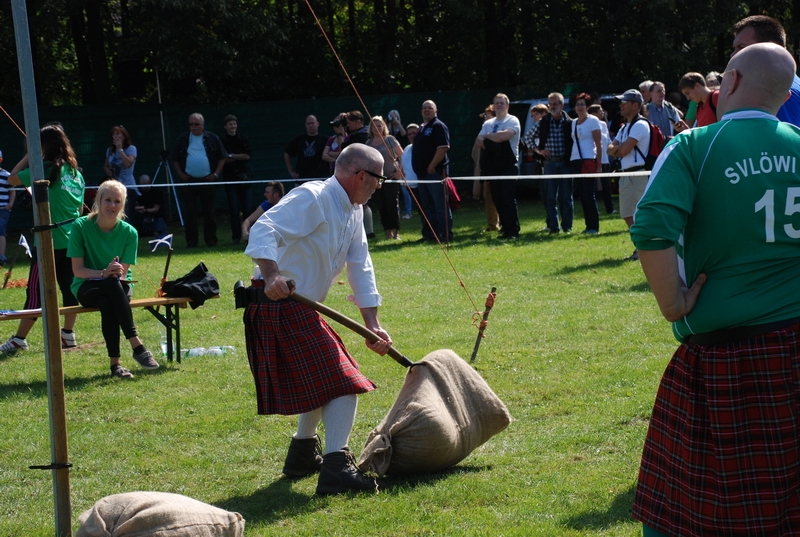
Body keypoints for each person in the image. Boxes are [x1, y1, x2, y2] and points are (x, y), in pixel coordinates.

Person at [630, 42, 800, 537]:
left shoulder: (693, 147)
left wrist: (673, 303)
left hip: (727, 357)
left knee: (695, 517)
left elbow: (651, 230)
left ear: (733, 82)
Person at [243, 143, 392, 495]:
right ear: (360, 176)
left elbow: (360, 265)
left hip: (302, 306)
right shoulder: (313, 197)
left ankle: (302, 453)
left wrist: (372, 324)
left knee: (322, 382)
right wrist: (272, 274)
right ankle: (336, 468)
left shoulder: (353, 211)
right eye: (379, 179)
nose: (379, 186)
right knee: (343, 382)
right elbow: (264, 228)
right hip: (278, 303)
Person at [0, 125, 85, 356]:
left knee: (36, 294)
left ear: (43, 147)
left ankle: (19, 340)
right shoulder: (76, 173)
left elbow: (11, 179)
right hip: (73, 241)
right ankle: (68, 335)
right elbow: (78, 208)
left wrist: (30, 156)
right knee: (70, 290)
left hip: (48, 242)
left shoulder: (44, 167)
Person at [68, 180, 159, 379]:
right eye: (107, 200)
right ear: (98, 201)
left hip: (117, 285)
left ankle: (115, 366)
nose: (112, 205)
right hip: (87, 285)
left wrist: (112, 274)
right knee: (109, 289)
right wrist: (103, 273)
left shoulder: (130, 233)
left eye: (117, 201)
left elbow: (122, 274)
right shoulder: (80, 226)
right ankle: (137, 345)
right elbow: (78, 271)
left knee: (108, 296)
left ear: (123, 205)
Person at [731, 14, 800, 127]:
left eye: (741, 47)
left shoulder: (774, 89)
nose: (733, 55)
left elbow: (784, 142)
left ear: (770, 47)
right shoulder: (787, 83)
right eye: (734, 48)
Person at [171, 113, 226, 248]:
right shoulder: (182, 139)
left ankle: (211, 241)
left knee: (209, 212)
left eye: (196, 124)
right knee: (190, 213)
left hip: (207, 181)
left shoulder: (212, 138)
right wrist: (180, 174)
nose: (193, 127)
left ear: (202, 125)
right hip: (189, 181)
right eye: (191, 124)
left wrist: (216, 174)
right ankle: (191, 242)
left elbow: (222, 157)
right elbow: (175, 159)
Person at [607, 89, 650, 261]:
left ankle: (646, 249)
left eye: (624, 102)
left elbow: (622, 150)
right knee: (627, 214)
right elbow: (610, 150)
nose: (621, 106)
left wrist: (618, 149)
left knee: (641, 214)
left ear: (635, 105)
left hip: (639, 174)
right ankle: (641, 247)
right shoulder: (624, 128)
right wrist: (618, 149)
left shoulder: (641, 124)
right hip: (625, 175)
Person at [523, 92, 574, 234]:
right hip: (549, 163)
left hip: (565, 163)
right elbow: (528, 137)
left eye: (556, 103)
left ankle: (567, 226)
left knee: (567, 197)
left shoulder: (570, 122)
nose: (552, 106)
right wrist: (538, 150)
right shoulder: (543, 121)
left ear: (562, 105)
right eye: (550, 104)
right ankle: (553, 226)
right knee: (551, 197)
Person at [477, 93, 521, 239]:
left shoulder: (512, 120)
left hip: (508, 165)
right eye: (497, 103)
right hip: (492, 166)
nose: (499, 105)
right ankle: (505, 229)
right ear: (493, 106)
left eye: (502, 103)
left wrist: (488, 137)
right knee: (497, 198)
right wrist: (493, 137)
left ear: (507, 106)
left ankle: (513, 230)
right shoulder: (487, 123)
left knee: (508, 198)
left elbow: (504, 137)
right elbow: (478, 142)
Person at [412, 100, 452, 242]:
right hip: (422, 174)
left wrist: (431, 165)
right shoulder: (422, 127)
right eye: (424, 108)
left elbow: (443, 147)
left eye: (430, 108)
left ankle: (445, 235)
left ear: (436, 111)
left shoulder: (438, 126)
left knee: (440, 206)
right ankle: (431, 235)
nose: (427, 110)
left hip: (434, 173)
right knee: (427, 207)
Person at [568, 93, 602, 234]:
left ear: (587, 106)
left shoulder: (593, 120)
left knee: (589, 194)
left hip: (588, 160)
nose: (579, 107)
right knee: (582, 194)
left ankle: (594, 226)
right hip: (575, 159)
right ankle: (588, 226)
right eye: (577, 104)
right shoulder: (574, 122)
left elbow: (598, 144)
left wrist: (599, 164)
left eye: (582, 104)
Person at [366, 115, 404, 240]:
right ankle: (387, 231)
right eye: (374, 125)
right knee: (382, 205)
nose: (377, 128)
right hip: (377, 179)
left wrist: (400, 171)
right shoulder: (368, 143)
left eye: (379, 125)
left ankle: (396, 232)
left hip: (392, 177)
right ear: (370, 128)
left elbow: (402, 155)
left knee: (392, 204)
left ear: (384, 127)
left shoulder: (390, 140)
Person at [220, 114, 252, 245]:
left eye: (234, 123)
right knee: (234, 210)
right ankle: (236, 237)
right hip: (230, 179)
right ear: (225, 126)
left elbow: (246, 156)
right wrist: (235, 157)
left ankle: (249, 236)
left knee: (247, 210)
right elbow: (223, 158)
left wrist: (232, 155)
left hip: (245, 178)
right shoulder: (222, 141)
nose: (232, 126)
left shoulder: (243, 139)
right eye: (230, 124)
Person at [472, 105, 500, 232]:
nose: (484, 118)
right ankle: (492, 225)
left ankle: (499, 224)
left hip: (497, 170)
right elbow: (475, 153)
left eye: (487, 116)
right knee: (488, 197)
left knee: (499, 198)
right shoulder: (482, 132)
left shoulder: (499, 132)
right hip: (485, 170)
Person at [102, 125, 138, 217]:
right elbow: (106, 166)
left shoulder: (131, 148)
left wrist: (120, 149)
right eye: (113, 134)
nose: (115, 136)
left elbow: (128, 164)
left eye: (118, 134)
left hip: (128, 186)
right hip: (114, 187)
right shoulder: (109, 150)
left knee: (127, 214)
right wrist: (107, 170)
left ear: (124, 135)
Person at [284, 115, 329, 184]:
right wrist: (291, 171)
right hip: (301, 179)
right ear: (305, 125)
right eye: (308, 123)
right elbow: (287, 154)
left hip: (320, 180)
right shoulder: (298, 139)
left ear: (318, 124)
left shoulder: (325, 140)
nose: (310, 125)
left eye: (312, 123)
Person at [588, 104, 615, 215]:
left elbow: (608, 140)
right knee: (593, 187)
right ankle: (594, 210)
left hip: (604, 159)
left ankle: (610, 208)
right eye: (600, 111)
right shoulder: (589, 124)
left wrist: (613, 152)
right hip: (593, 159)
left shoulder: (604, 124)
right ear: (593, 113)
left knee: (606, 186)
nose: (602, 112)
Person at [400, 123, 419, 220]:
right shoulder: (407, 148)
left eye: (414, 133)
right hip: (410, 186)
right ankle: (427, 233)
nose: (412, 135)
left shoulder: (424, 147)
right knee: (421, 211)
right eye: (409, 134)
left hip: (422, 184)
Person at [0, 150, 14, 267]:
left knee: (1, 231)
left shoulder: (7, 175)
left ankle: (1, 256)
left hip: (3, 209)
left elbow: (12, 191)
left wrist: (10, 204)